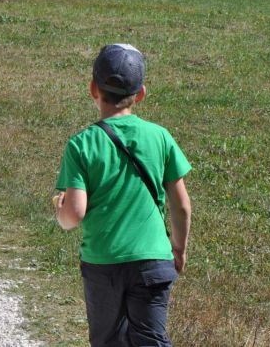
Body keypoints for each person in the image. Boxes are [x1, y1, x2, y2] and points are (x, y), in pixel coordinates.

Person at [54, 44, 192, 347]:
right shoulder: (160, 136)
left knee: (107, 341)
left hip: (103, 263)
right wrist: (178, 248)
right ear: (140, 93)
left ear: (93, 88)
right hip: (154, 259)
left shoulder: (81, 145)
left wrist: (60, 211)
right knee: (152, 340)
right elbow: (181, 206)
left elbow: (74, 214)